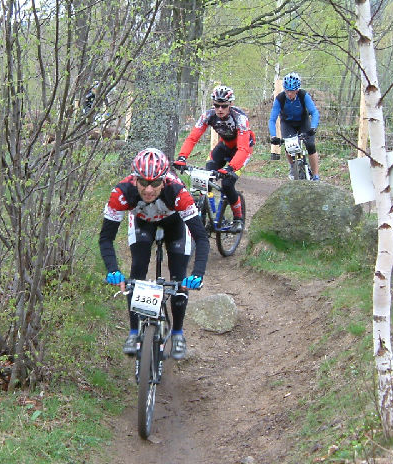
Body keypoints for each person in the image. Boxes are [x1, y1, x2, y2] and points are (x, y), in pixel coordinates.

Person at [99, 147, 209, 360]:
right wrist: (112, 269)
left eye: (155, 183)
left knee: (179, 277)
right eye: (143, 183)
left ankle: (177, 333)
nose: (149, 190)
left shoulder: (178, 192)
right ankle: (133, 332)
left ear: (164, 181)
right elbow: (106, 238)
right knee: (137, 272)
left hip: (175, 225)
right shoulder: (121, 193)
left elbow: (201, 238)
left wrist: (198, 273)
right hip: (142, 223)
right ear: (134, 180)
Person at [173, 85, 255, 233]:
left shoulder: (240, 118)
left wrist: (229, 168)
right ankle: (210, 214)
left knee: (227, 184)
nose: (220, 109)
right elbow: (192, 138)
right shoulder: (208, 116)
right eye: (217, 105)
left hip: (243, 150)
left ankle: (238, 219)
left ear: (230, 104)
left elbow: (243, 149)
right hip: (224, 146)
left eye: (224, 106)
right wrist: (182, 157)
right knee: (206, 179)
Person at [268, 72, 321, 181]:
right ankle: (293, 166)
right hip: (287, 122)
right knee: (288, 145)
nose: (289, 94)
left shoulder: (303, 95)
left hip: (303, 121)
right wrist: (273, 136)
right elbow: (272, 119)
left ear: (297, 90)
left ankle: (315, 175)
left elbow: (314, 112)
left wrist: (313, 128)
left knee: (310, 145)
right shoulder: (280, 98)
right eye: (287, 91)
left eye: (292, 91)